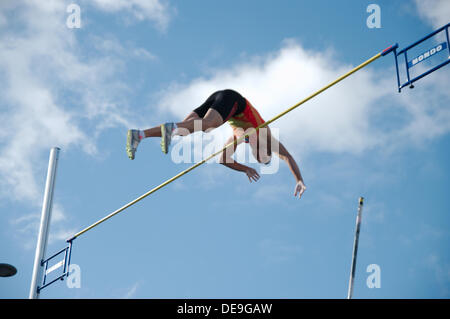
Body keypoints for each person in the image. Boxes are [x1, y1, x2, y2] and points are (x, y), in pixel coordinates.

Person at [126, 89, 307, 198]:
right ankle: (167, 130)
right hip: (233, 100)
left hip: (220, 99)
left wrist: (245, 169)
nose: (257, 156)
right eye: (262, 156)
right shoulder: (267, 136)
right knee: (208, 125)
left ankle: (140, 135)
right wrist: (298, 179)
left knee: (184, 130)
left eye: (257, 159)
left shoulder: (241, 137)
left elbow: (223, 158)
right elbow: (287, 157)